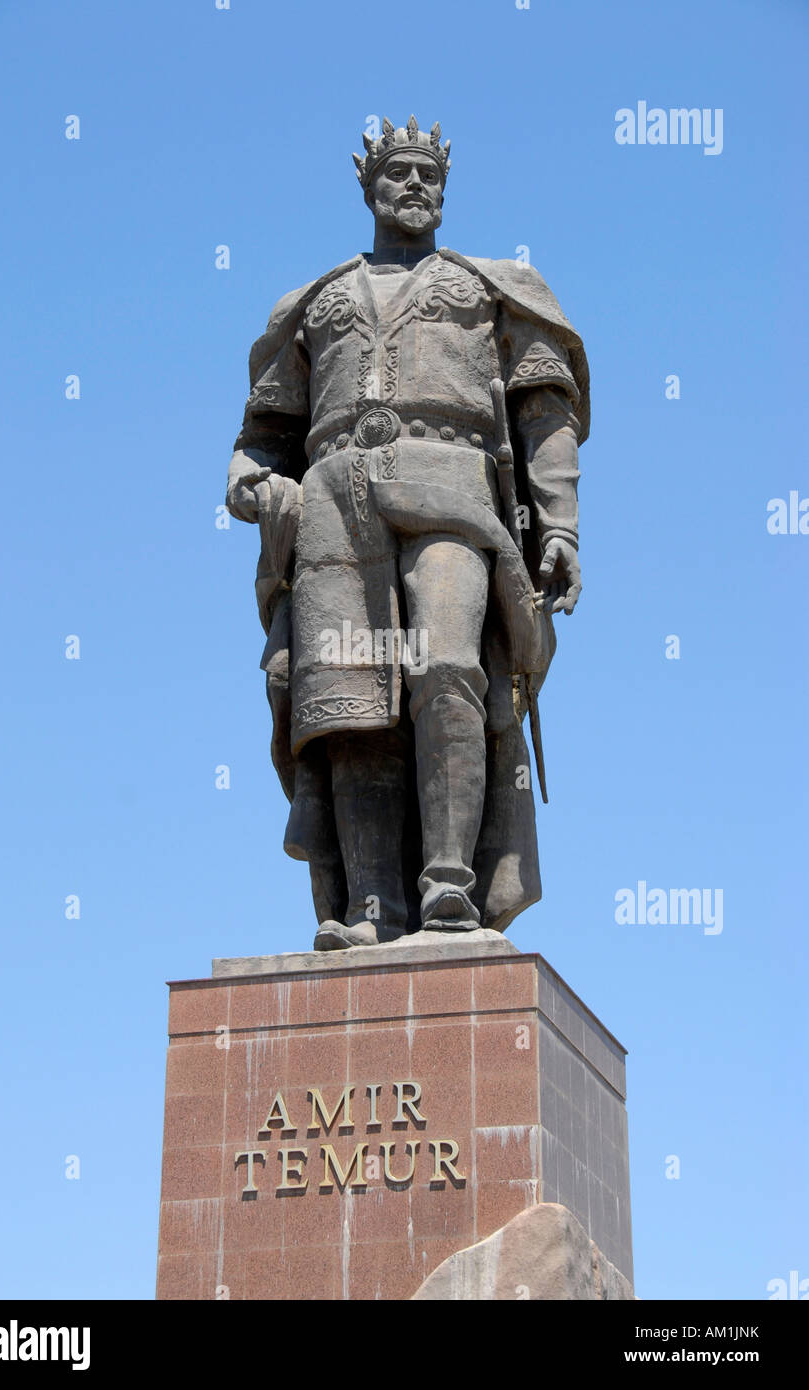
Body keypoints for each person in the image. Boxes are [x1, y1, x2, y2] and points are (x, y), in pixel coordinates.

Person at [226, 116, 589, 950]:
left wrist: (559, 524)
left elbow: (545, 412)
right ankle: (371, 908)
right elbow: (264, 431)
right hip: (331, 505)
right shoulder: (315, 301)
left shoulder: (492, 286)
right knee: (348, 705)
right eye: (399, 173)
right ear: (368, 185)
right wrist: (250, 480)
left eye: (430, 173)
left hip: (452, 486)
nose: (416, 185)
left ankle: (449, 889)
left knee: (450, 663)